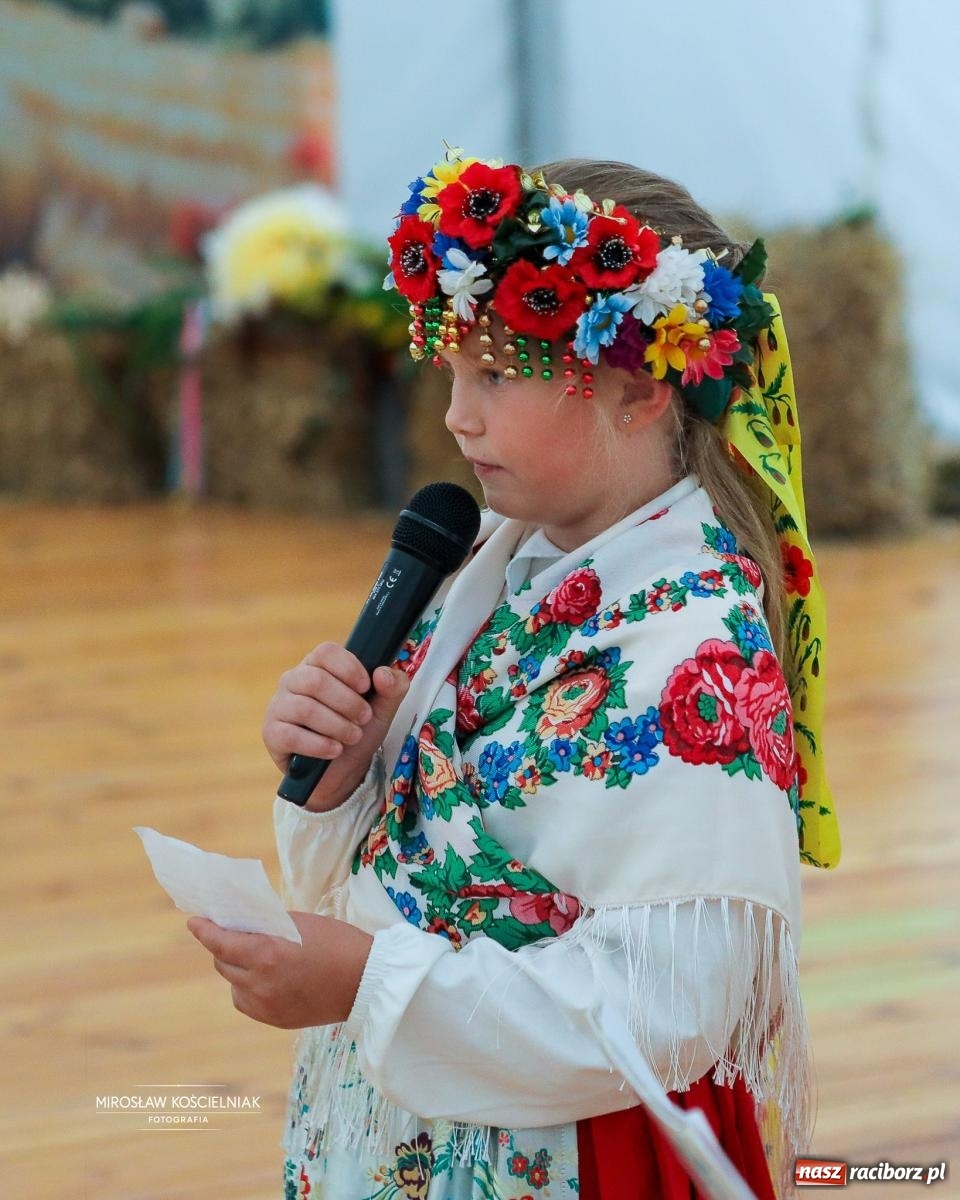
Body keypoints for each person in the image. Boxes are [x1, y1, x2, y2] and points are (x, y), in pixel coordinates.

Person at [187, 150, 842, 1200]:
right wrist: (348, 774)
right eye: (454, 372)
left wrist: (367, 982)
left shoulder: (696, 649)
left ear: (635, 387)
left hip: (564, 1155)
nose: (457, 415)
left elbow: (669, 1010)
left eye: (497, 374)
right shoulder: (488, 565)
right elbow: (405, 866)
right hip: (415, 1132)